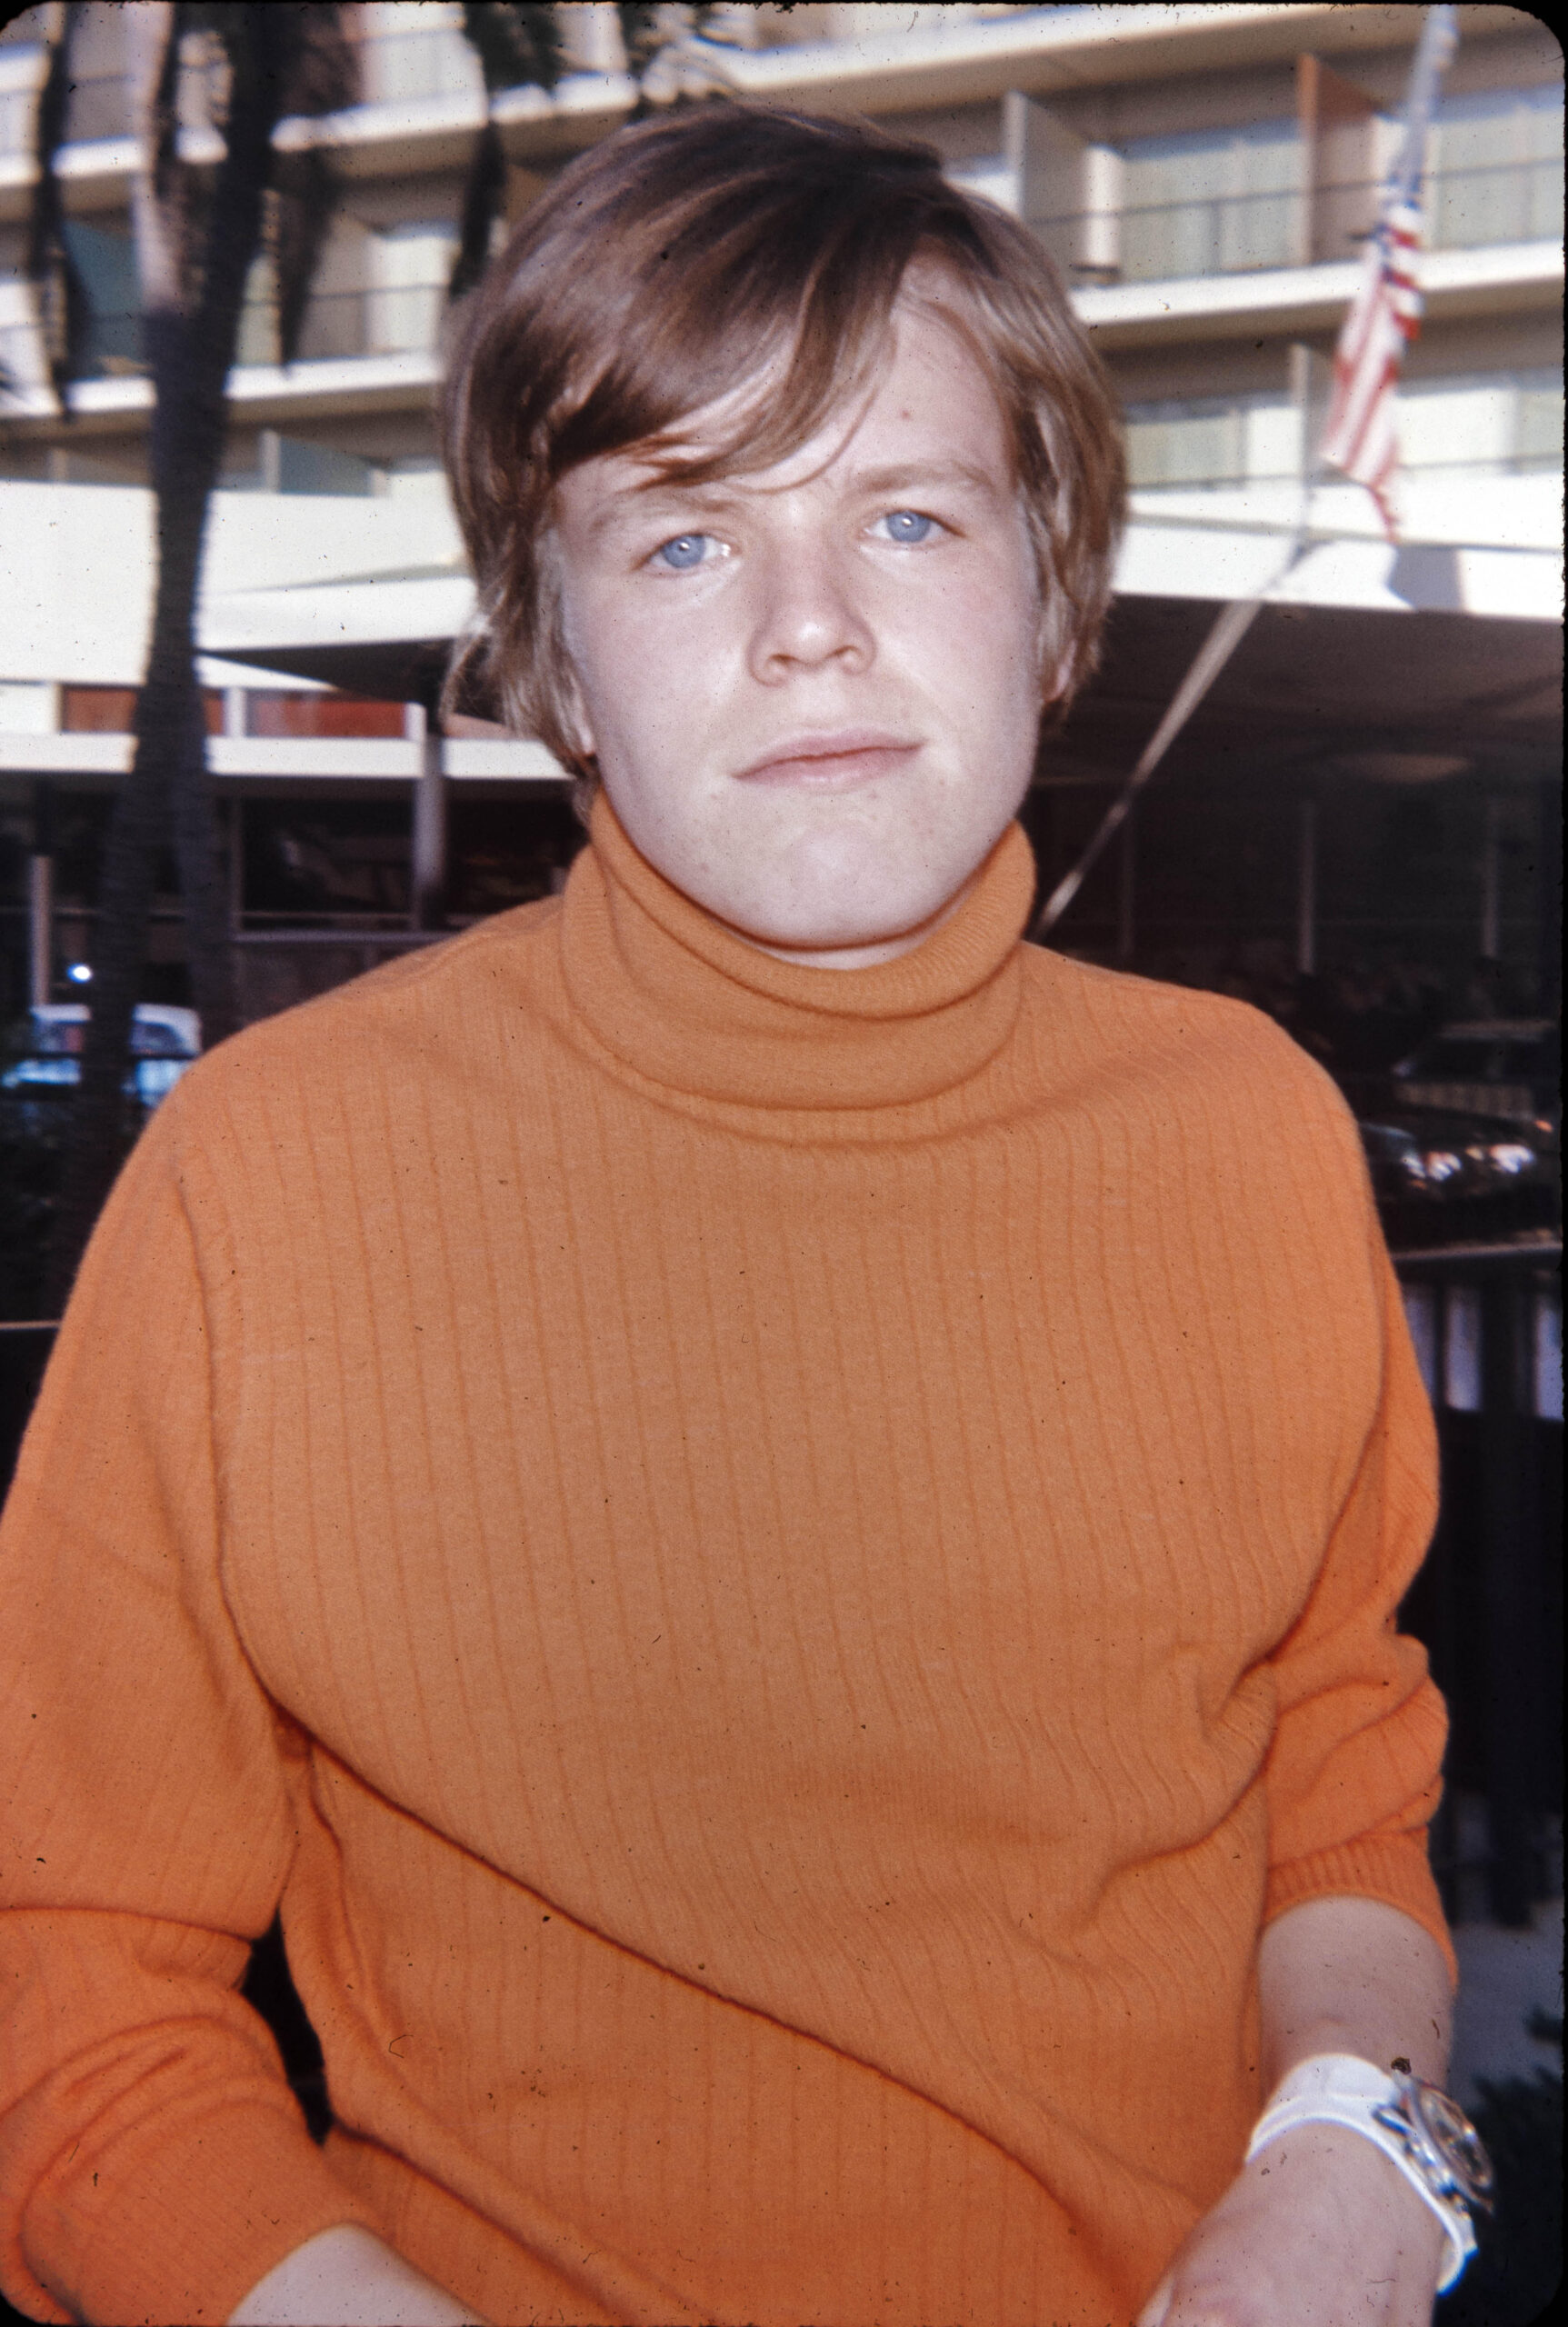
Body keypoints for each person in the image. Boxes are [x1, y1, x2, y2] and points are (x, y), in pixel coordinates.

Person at [0, 105, 1491, 2327]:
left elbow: (1335, 1779)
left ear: (1049, 583)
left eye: (904, 514)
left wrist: (1358, 2158)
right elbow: (69, 1968)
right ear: (555, 654)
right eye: (685, 538)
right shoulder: (262, 1175)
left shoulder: (1248, 1131)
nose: (810, 627)